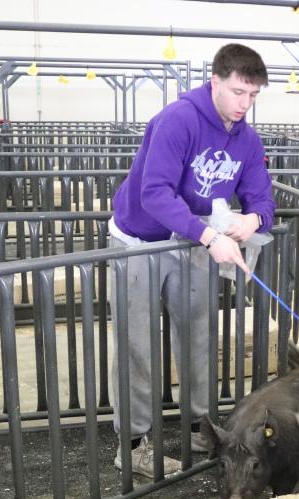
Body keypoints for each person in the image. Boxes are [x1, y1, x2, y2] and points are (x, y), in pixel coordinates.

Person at [109, 43, 276, 476]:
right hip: (141, 240)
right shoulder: (177, 120)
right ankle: (133, 443)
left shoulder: (247, 139)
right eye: (238, 92)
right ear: (215, 81)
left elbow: (262, 194)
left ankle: (205, 427)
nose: (245, 104)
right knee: (138, 342)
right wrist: (207, 235)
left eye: (253, 96)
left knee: (200, 332)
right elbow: (155, 192)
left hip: (192, 241)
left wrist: (253, 217)